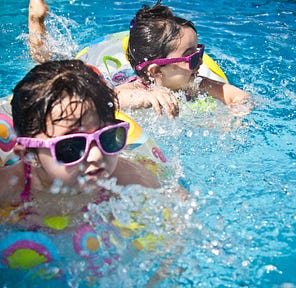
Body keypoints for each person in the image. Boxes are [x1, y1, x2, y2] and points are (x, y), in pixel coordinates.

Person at [0, 59, 160, 230]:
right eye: (71, 146)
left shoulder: (131, 180)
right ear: (29, 155)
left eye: (107, 137)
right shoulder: (8, 188)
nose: (96, 155)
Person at [28, 0, 251, 119]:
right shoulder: (137, 86)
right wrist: (145, 97)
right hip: (108, 79)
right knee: (49, 70)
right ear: (155, 72)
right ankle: (36, 20)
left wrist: (237, 113)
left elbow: (235, 95)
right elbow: (107, 102)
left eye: (199, 52)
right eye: (190, 58)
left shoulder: (196, 83)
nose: (199, 62)